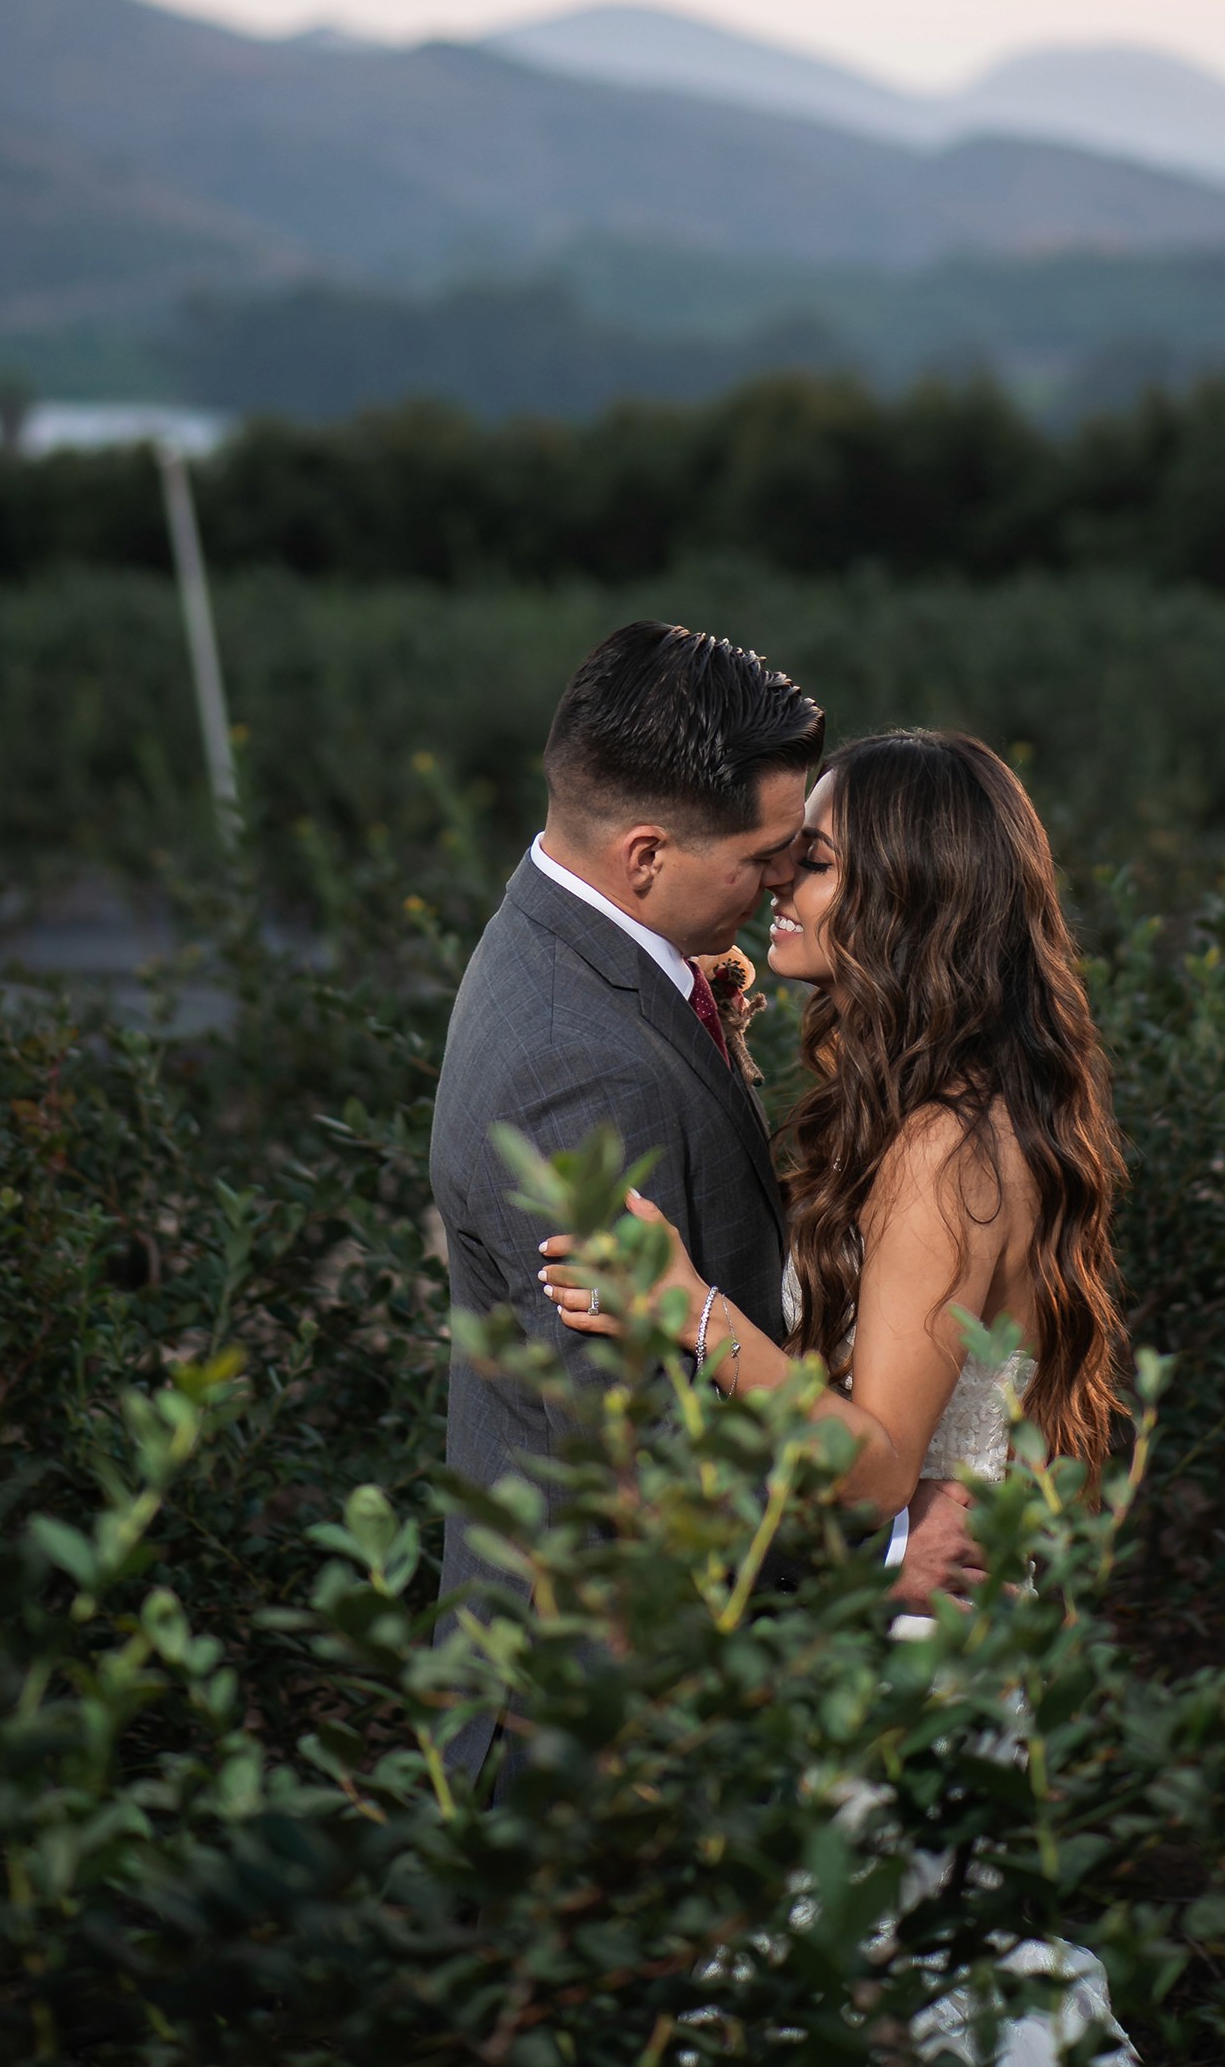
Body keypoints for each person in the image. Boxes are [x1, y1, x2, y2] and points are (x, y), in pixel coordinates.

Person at [429, 626, 986, 1785]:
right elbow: (626, 1464)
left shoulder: (579, 954)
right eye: (766, 854)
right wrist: (873, 1556)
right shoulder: (576, 1066)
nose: (784, 881)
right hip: (604, 1724)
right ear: (643, 854)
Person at [542, 726, 1126, 1556]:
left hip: (925, 1642)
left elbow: (881, 1468)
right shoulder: (928, 1101)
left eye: (812, 862)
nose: (778, 877)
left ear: (907, 894)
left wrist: (689, 1310)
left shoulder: (945, 1148)